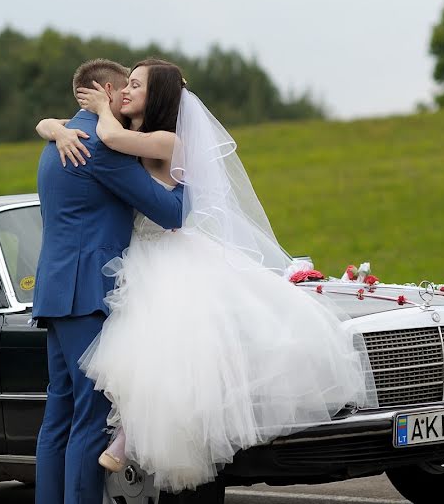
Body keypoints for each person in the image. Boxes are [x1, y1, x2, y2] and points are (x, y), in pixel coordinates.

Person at [48, 58, 379, 493]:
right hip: (140, 259)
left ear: (160, 96)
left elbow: (112, 140)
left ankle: (132, 440)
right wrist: (52, 126)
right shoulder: (132, 140)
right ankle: (131, 438)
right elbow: (106, 141)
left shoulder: (162, 139)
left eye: (135, 85)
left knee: (164, 354)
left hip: (164, 252)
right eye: (123, 84)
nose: (126, 92)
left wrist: (94, 112)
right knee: (143, 357)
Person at [32, 58, 185, 504]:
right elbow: (171, 212)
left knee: (58, 415)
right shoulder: (100, 147)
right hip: (87, 294)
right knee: (90, 417)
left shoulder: (59, 139)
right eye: (123, 91)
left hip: (55, 291)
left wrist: (53, 127)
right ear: (104, 90)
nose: (125, 98)